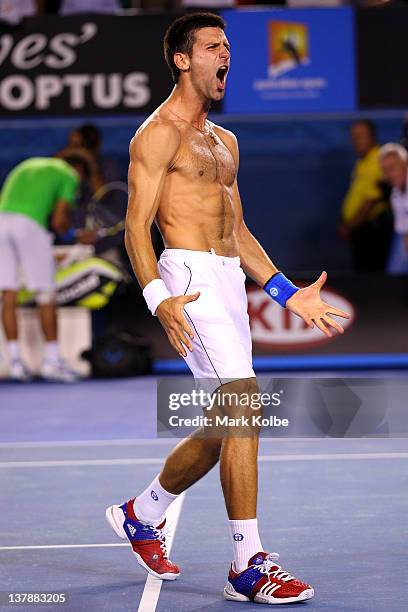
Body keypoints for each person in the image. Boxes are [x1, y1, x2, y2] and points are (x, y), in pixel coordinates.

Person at [105, 13, 350, 605]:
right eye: (214, 46)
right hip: (185, 277)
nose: (227, 56)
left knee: (225, 424)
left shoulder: (225, 141)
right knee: (243, 403)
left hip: (227, 280)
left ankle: (143, 513)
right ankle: (248, 562)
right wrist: (159, 299)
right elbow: (136, 227)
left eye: (229, 47)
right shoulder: (157, 134)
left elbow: (238, 231)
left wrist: (288, 292)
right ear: (183, 59)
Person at [0, 156, 86, 382]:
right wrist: (72, 233)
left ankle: (15, 363)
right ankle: (52, 362)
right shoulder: (69, 175)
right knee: (46, 295)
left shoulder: (26, 164)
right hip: (28, 226)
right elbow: (58, 221)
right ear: (78, 170)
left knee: (8, 294)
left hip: (1, 223)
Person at [338, 120, 393, 272]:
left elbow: (370, 200)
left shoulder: (379, 160)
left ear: (372, 136)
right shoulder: (362, 162)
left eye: (360, 136)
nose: (356, 141)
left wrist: (351, 226)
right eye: (353, 137)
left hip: (371, 231)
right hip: (360, 231)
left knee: (370, 274)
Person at [379, 143, 408, 274]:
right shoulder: (395, 195)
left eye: (392, 168)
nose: (388, 175)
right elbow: (404, 234)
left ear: (405, 164)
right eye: (385, 170)